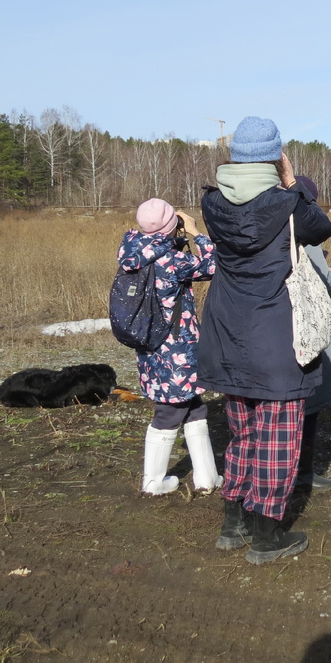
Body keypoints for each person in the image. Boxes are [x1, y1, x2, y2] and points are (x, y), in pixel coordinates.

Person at [197, 117, 331, 564]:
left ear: (234, 155)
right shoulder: (289, 203)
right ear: (275, 155)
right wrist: (293, 181)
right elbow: (321, 228)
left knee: (242, 434)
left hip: (227, 332)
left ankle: (231, 526)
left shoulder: (213, 203)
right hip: (276, 334)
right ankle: (266, 536)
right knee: (278, 439)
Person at [117, 198, 221, 496]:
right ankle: (153, 482)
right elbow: (214, 265)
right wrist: (195, 232)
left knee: (194, 406)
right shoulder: (172, 260)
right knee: (170, 410)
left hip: (150, 343)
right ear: (170, 226)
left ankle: (206, 477)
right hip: (177, 345)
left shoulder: (132, 252)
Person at [294, 174, 331, 491]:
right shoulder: (307, 232)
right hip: (308, 330)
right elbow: (320, 282)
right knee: (309, 405)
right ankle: (302, 474)